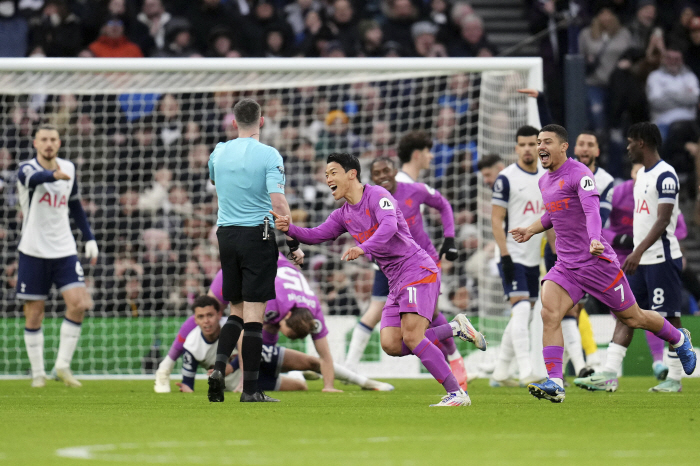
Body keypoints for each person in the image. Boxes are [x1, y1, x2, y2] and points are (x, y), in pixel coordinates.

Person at [272, 152, 486, 407]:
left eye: (332, 173)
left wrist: (364, 248)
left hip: (416, 270)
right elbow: (317, 234)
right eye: (326, 174)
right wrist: (289, 229)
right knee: (391, 344)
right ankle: (454, 328)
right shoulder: (343, 214)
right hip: (396, 280)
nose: (327, 178)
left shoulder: (378, 196)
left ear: (352, 173)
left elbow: (389, 227)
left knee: (413, 337)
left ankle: (457, 393)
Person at [509, 124, 696, 403]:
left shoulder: (580, 175)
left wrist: (595, 238)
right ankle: (556, 382)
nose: (540, 147)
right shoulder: (544, 180)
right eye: (538, 142)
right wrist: (530, 229)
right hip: (567, 265)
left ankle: (680, 340)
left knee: (633, 318)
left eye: (547, 141)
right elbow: (554, 213)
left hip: (597, 262)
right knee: (549, 313)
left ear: (563, 147)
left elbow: (591, 210)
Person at [574, 122, 692, 393]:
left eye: (629, 142)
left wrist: (637, 251)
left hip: (661, 257)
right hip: (642, 259)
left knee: (670, 317)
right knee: (625, 313)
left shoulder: (666, 175)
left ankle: (674, 378)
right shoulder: (643, 178)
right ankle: (608, 374)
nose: (626, 147)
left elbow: (663, 220)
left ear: (641, 143)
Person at [207, 98, 304, 403]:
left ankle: (218, 369)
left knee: (234, 310)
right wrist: (292, 242)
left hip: (225, 235)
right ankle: (250, 390)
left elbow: (214, 180)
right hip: (257, 234)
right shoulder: (269, 155)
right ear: (262, 121)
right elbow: (278, 204)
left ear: (234, 122)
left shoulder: (219, 152)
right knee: (254, 316)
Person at [344, 156, 466, 389]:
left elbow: (443, 204)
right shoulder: (370, 199)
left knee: (428, 314)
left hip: (421, 262)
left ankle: (454, 357)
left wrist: (449, 238)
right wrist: (370, 255)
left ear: (395, 171)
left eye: (386, 171)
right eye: (377, 174)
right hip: (387, 265)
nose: (382, 177)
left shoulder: (414, 190)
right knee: (376, 316)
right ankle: (350, 367)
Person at [156, 274, 392, 393]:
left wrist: (329, 386)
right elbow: (245, 333)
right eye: (284, 330)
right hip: (244, 270)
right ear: (285, 317)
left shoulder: (312, 312)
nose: (281, 332)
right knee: (207, 307)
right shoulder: (271, 302)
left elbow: (324, 354)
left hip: (270, 280)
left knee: (309, 362)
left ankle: (363, 382)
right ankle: (164, 367)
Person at [16, 124, 99, 388]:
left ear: (59, 143)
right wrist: (54, 175)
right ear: (35, 143)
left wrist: (89, 237)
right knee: (35, 313)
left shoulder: (69, 168)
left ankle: (62, 366)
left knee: (79, 303)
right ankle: (38, 372)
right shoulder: (27, 168)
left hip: (64, 249)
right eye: (44, 140)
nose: (49, 143)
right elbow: (33, 180)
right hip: (33, 250)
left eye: (53, 139)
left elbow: (74, 204)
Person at [485, 125, 546, 387]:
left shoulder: (547, 177)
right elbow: (496, 221)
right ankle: (526, 371)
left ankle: (500, 370)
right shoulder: (506, 178)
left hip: (534, 258)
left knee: (526, 314)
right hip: (512, 254)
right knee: (521, 310)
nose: (528, 149)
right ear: (516, 148)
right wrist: (505, 255)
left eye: (532, 144)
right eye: (523, 145)